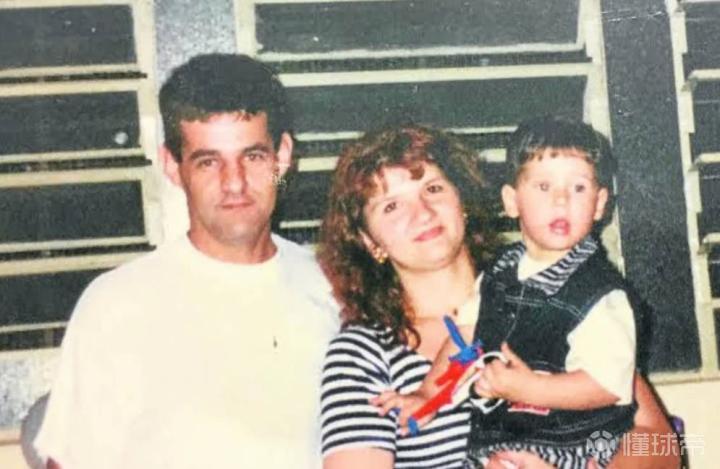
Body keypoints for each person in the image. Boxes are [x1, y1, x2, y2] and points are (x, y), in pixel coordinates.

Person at [34, 53, 338, 469]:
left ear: (282, 156)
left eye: (252, 156)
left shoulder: (335, 288)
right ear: (173, 167)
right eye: (208, 162)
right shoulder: (117, 303)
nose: (234, 183)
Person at [318, 123, 680, 469]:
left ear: (461, 199)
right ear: (369, 241)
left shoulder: (556, 294)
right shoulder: (363, 352)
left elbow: (662, 446)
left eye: (433, 188)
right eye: (391, 206)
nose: (422, 212)